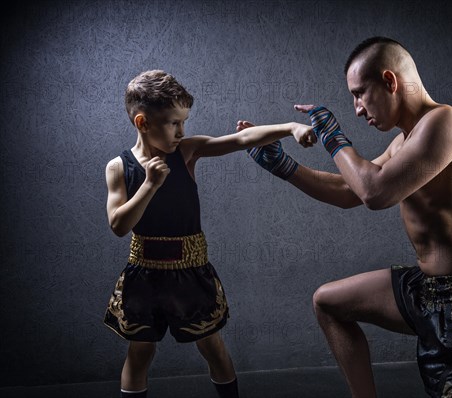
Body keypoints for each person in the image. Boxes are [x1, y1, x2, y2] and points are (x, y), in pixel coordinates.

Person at [241, 37, 452, 398]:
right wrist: (285, 167)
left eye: (359, 93)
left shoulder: (447, 123)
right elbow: (349, 191)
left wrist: (332, 136)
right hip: (425, 288)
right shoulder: (405, 142)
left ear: (390, 81)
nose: (356, 108)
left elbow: (375, 192)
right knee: (328, 302)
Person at [103, 69, 315, 398]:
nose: (181, 131)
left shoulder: (187, 151)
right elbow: (118, 226)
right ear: (142, 123)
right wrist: (149, 185)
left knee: (213, 348)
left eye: (183, 121)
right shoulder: (119, 167)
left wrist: (291, 127)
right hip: (144, 275)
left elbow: (240, 139)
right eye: (173, 123)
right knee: (140, 352)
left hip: (191, 271)